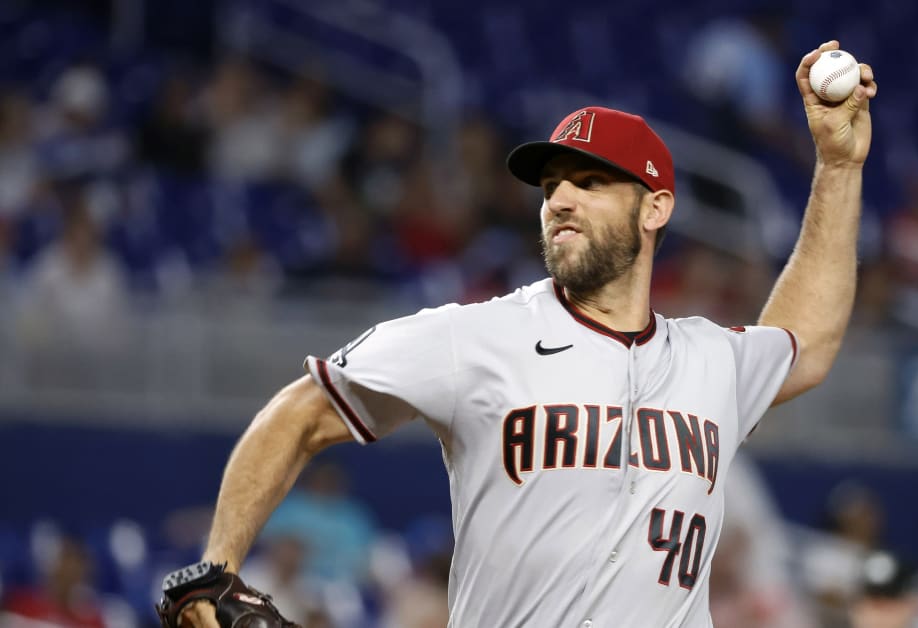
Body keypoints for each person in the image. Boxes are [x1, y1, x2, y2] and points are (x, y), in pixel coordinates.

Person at [171, 40, 877, 627]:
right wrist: (220, 565)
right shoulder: (474, 336)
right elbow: (301, 412)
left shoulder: (712, 358)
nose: (560, 199)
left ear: (655, 207)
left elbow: (805, 340)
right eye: (550, 187)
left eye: (590, 181)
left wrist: (839, 166)